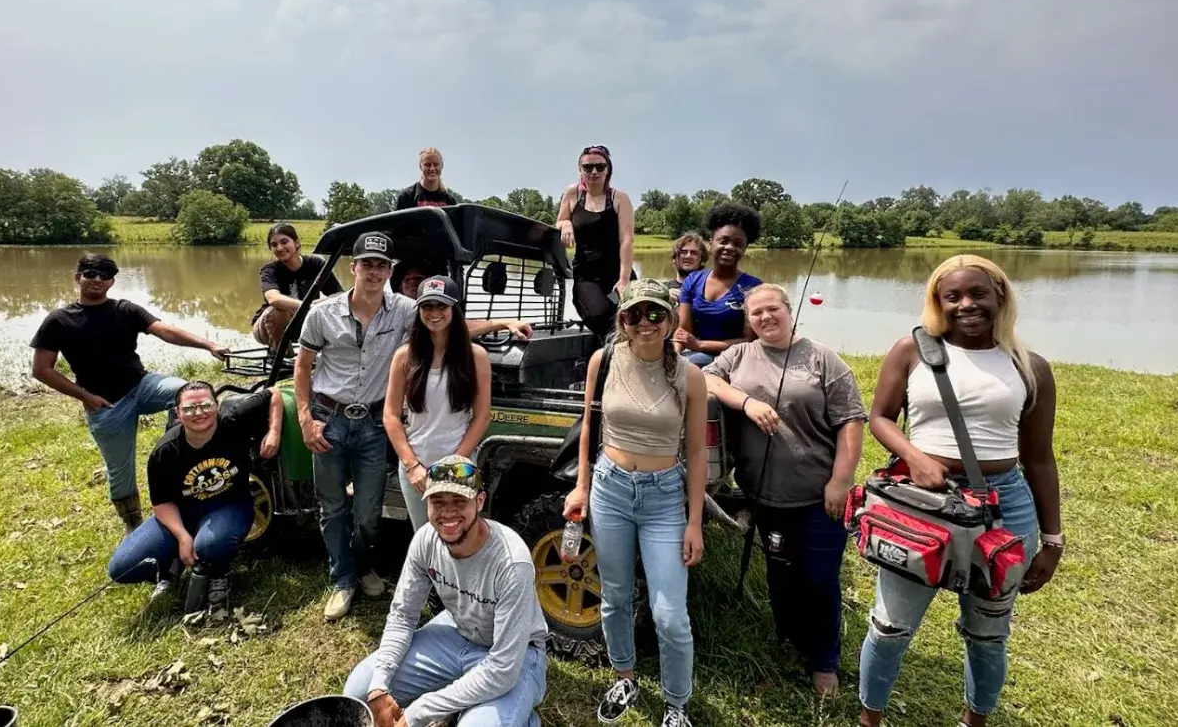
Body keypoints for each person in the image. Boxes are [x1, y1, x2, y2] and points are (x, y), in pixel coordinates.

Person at [857, 255, 1063, 727]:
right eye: (953, 296)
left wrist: (1052, 540)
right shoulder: (912, 351)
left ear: (1000, 296)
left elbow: (1039, 458)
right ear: (938, 302)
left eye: (978, 294)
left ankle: (975, 721)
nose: (966, 304)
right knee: (889, 627)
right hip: (922, 503)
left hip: (1002, 506)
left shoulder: (1030, 366)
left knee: (988, 634)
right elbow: (880, 417)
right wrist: (914, 457)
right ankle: (870, 719)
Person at [294, 232, 534, 621]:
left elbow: (457, 331)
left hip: (379, 427)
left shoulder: (408, 312)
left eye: (381, 265)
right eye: (367, 264)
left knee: (372, 512)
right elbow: (303, 365)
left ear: (390, 272)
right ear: (353, 267)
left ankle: (375, 570)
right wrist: (305, 418)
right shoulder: (329, 315)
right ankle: (344, 579)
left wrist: (504, 321)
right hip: (331, 417)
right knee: (335, 505)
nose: (374, 272)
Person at [701, 284, 867, 697]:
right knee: (781, 575)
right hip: (764, 496)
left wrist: (840, 481)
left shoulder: (822, 359)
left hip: (818, 496)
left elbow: (851, 421)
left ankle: (825, 661)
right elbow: (705, 378)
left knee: (820, 580)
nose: (765, 317)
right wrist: (747, 403)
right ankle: (790, 639)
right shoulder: (739, 355)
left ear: (789, 311)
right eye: (756, 313)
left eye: (772, 309)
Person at [562, 279, 707, 727]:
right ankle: (624, 677)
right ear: (621, 320)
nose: (644, 323)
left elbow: (696, 452)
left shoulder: (691, 376)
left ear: (671, 319)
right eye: (633, 314)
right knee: (615, 596)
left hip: (664, 497)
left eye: (655, 313)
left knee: (671, 615)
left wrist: (695, 521)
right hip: (610, 488)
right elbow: (589, 428)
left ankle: (676, 704)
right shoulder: (603, 360)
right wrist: (581, 485)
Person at [344, 456, 548, 727]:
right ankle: (466, 696)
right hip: (456, 631)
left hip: (516, 655)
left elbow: (503, 669)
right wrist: (379, 687)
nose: (448, 513)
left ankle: (517, 716)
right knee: (359, 694)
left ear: (480, 501)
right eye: (438, 502)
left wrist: (419, 711)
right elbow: (403, 616)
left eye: (459, 501)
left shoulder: (511, 562)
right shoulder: (425, 540)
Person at [30, 254, 228, 532]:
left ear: (112, 281)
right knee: (120, 473)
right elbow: (41, 370)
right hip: (105, 404)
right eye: (90, 273)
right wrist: (85, 397)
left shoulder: (125, 309)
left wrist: (208, 344)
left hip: (142, 385)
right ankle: (133, 526)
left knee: (183, 393)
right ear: (77, 278)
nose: (97, 279)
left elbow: (165, 331)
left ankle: (177, 453)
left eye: (105, 275)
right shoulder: (59, 320)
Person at [106, 381, 282, 609]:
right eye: (189, 409)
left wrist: (274, 431)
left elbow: (274, 393)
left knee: (210, 545)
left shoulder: (234, 420)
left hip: (229, 504)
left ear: (216, 405)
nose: (199, 413)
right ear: (178, 413)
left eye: (206, 405)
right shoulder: (165, 452)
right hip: (183, 512)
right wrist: (182, 536)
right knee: (121, 568)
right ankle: (171, 567)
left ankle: (219, 573)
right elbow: (162, 504)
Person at [385, 276, 492, 532]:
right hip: (416, 468)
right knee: (424, 535)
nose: (434, 313)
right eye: (427, 306)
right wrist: (412, 466)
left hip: (459, 465)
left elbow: (481, 416)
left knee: (459, 535)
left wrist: (455, 462)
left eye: (441, 306)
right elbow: (390, 415)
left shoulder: (475, 356)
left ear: (454, 309)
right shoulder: (404, 356)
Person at [555, 145, 636, 342]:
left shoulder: (619, 198)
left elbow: (627, 240)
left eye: (600, 167)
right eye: (588, 167)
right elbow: (560, 220)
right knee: (600, 315)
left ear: (608, 170)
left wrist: (624, 280)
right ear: (580, 170)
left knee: (636, 317)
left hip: (617, 271)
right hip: (587, 276)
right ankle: (613, 356)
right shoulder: (573, 193)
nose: (594, 172)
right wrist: (566, 224)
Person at [675, 202, 762, 367]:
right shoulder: (692, 281)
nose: (729, 247)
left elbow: (749, 340)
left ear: (745, 248)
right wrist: (673, 358)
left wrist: (700, 345)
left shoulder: (754, 287)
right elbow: (683, 331)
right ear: (711, 243)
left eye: (738, 244)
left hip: (736, 358)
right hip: (694, 355)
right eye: (723, 241)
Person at [250, 222, 343, 351]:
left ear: (296, 243)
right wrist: (307, 306)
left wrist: (318, 304)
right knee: (279, 310)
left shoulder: (315, 264)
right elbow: (273, 299)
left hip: (305, 322)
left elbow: (338, 295)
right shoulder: (270, 270)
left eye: (284, 242)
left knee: (336, 307)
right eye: (274, 245)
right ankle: (280, 355)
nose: (279, 248)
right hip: (267, 327)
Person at [396, 147, 463, 210]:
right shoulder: (406, 197)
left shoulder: (450, 201)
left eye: (436, 164)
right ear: (420, 167)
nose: (432, 168)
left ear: (442, 166)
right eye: (427, 165)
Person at [665, 232, 708, 303]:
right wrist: (665, 297)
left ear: (702, 259)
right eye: (683, 252)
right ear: (674, 258)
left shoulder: (709, 287)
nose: (688, 256)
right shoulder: (664, 289)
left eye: (694, 253)